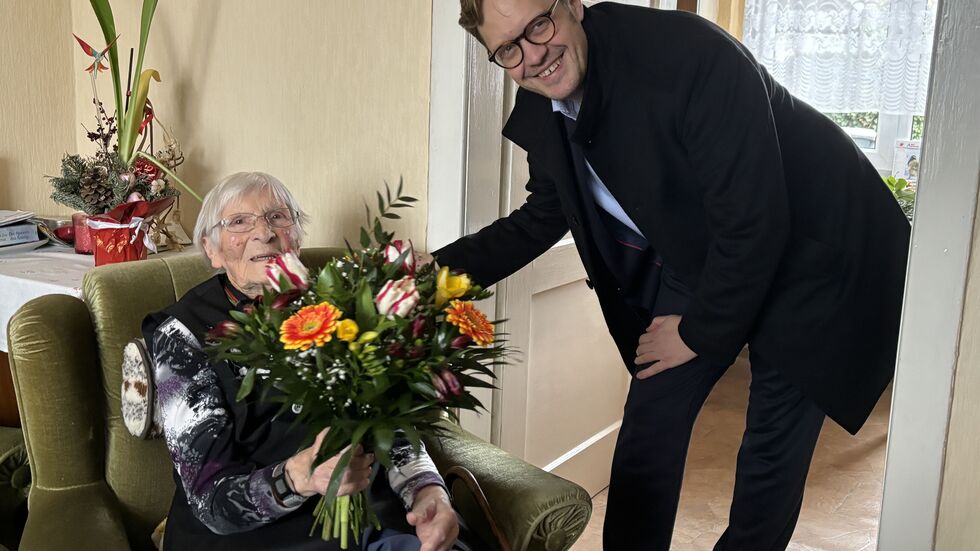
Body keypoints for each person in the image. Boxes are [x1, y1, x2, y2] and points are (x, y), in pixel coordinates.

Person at [434, 1, 911, 549]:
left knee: (769, 450)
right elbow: (543, 216)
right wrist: (430, 274)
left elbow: (755, 221)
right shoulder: (548, 98)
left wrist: (695, 331)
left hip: (817, 253)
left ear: (571, 5)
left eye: (540, 25)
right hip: (711, 247)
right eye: (509, 49)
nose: (534, 54)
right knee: (650, 426)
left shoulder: (691, 56)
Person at [143, 172, 473, 551]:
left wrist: (427, 490)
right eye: (238, 222)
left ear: (296, 236)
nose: (263, 233)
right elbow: (210, 500)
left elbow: (389, 421)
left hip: (367, 517)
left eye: (278, 218)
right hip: (254, 538)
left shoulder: (339, 304)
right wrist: (298, 477)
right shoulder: (182, 335)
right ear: (212, 249)